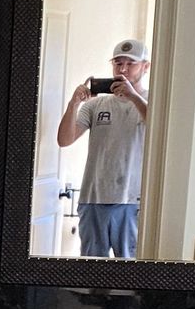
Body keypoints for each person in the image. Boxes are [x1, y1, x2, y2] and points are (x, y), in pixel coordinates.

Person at [56, 37, 150, 258]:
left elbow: (160, 129)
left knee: (128, 270)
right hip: (93, 198)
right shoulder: (96, 105)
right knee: (91, 269)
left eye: (131, 63)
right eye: (118, 63)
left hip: (131, 200)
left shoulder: (152, 101)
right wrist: (74, 104)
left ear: (146, 67)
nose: (123, 69)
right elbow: (64, 140)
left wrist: (133, 97)